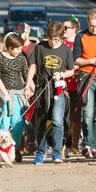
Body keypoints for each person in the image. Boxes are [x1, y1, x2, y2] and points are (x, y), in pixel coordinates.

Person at [25, 22, 75, 165]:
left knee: (57, 121)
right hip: (42, 88)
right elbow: (33, 66)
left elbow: (71, 70)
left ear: (61, 38)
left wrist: (62, 75)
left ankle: (57, 153)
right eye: (51, 39)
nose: (53, 42)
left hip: (58, 89)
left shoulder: (66, 50)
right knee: (41, 122)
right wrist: (28, 85)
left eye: (56, 39)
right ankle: (41, 153)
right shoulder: (40, 47)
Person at [74, 9, 96, 159]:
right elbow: (76, 59)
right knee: (87, 114)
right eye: (92, 26)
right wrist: (90, 61)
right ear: (88, 22)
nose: (94, 28)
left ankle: (94, 145)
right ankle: (87, 144)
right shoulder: (81, 36)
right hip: (86, 76)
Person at [0, 33, 29, 153]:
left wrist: (30, 88)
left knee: (18, 124)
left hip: (18, 94)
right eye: (18, 48)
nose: (20, 51)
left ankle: (15, 147)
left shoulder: (21, 58)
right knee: (3, 124)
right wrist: (5, 94)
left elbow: (26, 75)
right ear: (10, 47)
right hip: (4, 95)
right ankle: (1, 150)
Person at [62, 17, 81, 158]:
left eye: (66, 27)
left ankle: (75, 144)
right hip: (63, 85)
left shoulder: (79, 42)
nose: (64, 30)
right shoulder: (61, 44)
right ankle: (64, 145)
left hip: (78, 83)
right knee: (63, 117)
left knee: (76, 117)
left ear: (74, 29)